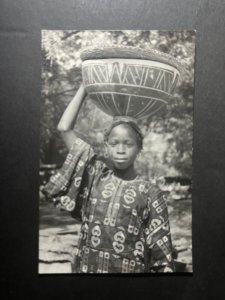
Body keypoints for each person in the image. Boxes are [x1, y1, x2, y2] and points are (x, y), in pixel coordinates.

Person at [42, 85, 175, 273]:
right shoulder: (95, 175)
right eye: (114, 143)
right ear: (106, 147)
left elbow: (162, 257)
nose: (120, 149)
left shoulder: (151, 193)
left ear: (139, 148)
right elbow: (64, 128)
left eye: (128, 144)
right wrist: (84, 87)